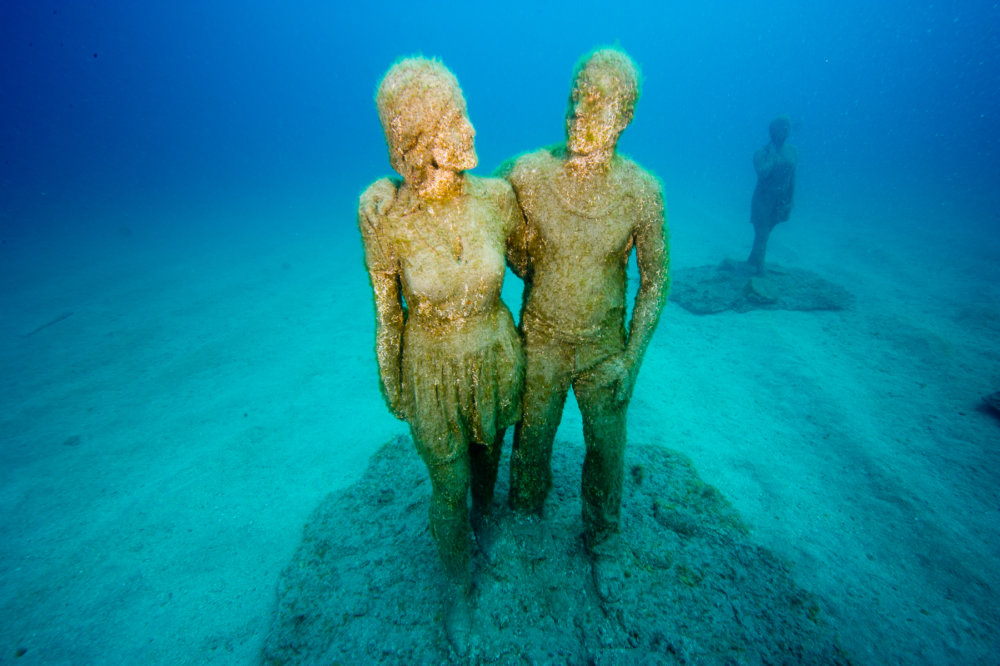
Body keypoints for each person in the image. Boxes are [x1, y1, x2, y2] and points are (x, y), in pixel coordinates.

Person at [357, 57, 524, 653]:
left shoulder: (499, 197)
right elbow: (386, 312)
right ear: (418, 142)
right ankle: (456, 584)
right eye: (455, 119)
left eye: (465, 111)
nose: (472, 128)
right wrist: (392, 385)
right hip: (428, 368)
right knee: (448, 483)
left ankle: (486, 525)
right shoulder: (385, 219)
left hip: (495, 354)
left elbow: (534, 258)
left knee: (487, 457)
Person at [501, 47, 669, 602]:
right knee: (531, 442)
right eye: (576, 97)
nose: (580, 112)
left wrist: (632, 357)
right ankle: (525, 518)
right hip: (542, 339)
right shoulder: (530, 172)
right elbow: (477, 203)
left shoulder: (641, 192)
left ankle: (603, 535)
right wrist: (400, 194)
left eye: (598, 103)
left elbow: (656, 279)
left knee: (606, 449)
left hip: (603, 347)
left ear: (625, 117)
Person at [747, 115, 798, 274]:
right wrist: (772, 156)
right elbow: (762, 173)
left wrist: (791, 199)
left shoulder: (793, 151)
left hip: (780, 200)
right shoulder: (761, 152)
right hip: (763, 200)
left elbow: (792, 177)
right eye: (781, 127)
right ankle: (760, 271)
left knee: (766, 232)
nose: (785, 130)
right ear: (772, 130)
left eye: (787, 126)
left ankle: (753, 260)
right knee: (761, 233)